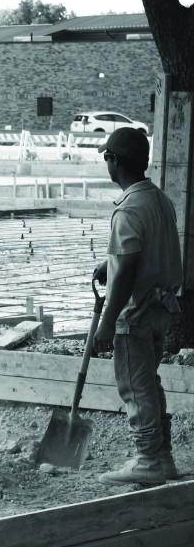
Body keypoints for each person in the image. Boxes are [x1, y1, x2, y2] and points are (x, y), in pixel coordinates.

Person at [92, 128, 182, 486]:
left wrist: (107, 322)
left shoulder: (127, 210)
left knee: (135, 386)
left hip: (136, 313)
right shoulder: (158, 200)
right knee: (150, 383)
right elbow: (140, 253)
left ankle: (148, 459)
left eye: (107, 157)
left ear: (114, 161)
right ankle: (162, 456)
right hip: (161, 309)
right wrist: (108, 264)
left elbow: (128, 270)